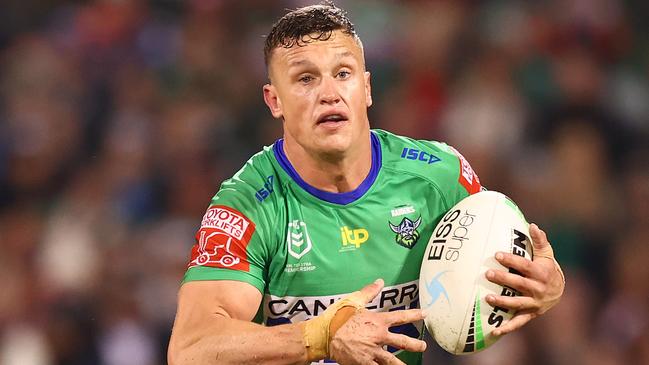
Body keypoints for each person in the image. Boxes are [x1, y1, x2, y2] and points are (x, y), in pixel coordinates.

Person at [167, 3, 565, 365]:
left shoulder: (437, 176)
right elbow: (190, 349)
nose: (329, 93)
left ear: (367, 87)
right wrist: (320, 337)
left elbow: (504, 269)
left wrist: (546, 285)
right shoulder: (248, 206)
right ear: (275, 102)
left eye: (343, 73)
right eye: (305, 79)